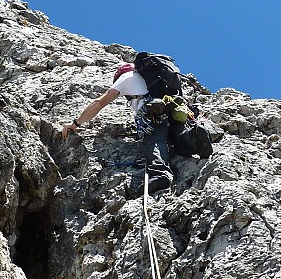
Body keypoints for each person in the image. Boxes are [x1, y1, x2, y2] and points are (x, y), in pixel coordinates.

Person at [61, 61, 213, 194]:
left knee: (154, 141)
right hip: (175, 109)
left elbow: (99, 103)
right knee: (179, 137)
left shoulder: (126, 78)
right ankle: (195, 139)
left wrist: (75, 124)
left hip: (152, 112)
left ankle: (160, 175)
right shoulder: (157, 77)